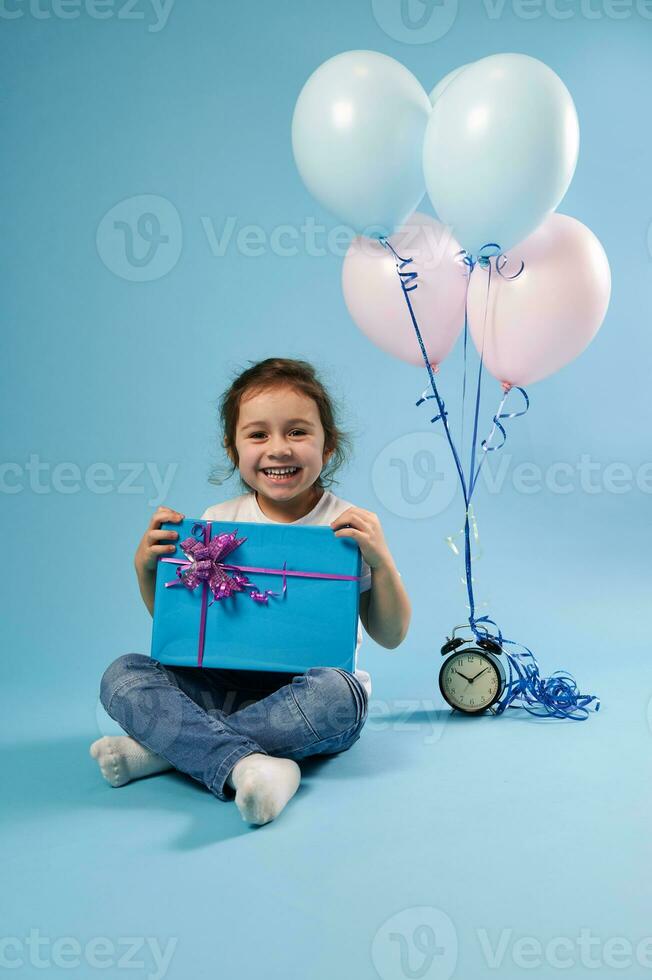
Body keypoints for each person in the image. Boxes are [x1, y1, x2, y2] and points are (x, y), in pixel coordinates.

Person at [90, 357, 411, 825]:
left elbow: (391, 634)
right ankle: (253, 765)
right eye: (258, 435)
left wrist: (383, 563)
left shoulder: (348, 526)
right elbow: (181, 630)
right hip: (221, 688)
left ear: (328, 444)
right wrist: (145, 570)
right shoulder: (218, 519)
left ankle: (170, 752)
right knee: (122, 673)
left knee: (340, 695)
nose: (278, 449)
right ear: (233, 448)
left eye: (298, 432)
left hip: (307, 697)